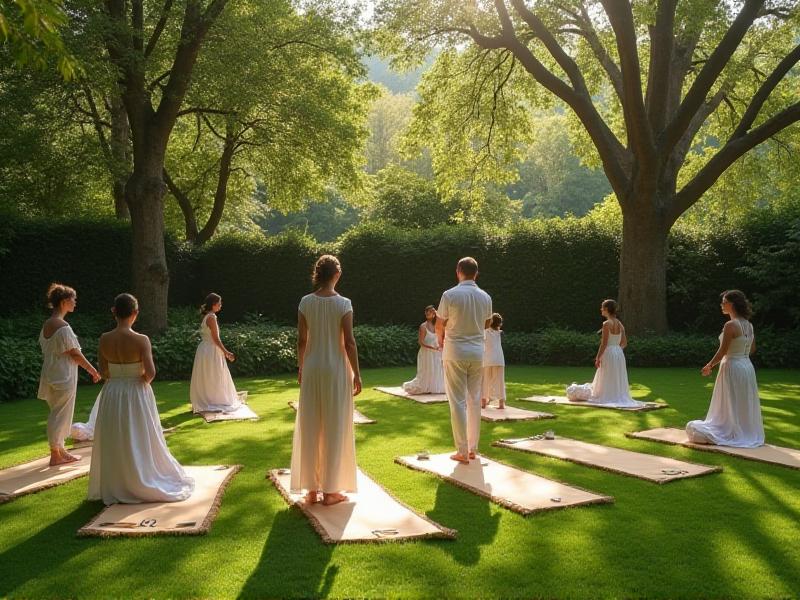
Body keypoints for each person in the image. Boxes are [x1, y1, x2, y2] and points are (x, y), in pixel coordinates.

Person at [88, 293, 194, 505]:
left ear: (113, 312)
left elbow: (103, 371)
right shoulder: (141, 339)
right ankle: (141, 477)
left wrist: (119, 377)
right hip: (136, 390)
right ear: (135, 313)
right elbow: (151, 373)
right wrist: (138, 379)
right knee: (139, 433)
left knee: (115, 434)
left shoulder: (104, 339)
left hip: (112, 392)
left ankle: (117, 482)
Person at [290, 255, 361, 506]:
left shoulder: (305, 302)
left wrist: (301, 367)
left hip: (311, 368)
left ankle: (311, 489)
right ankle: (331, 491)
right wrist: (358, 375)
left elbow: (301, 340)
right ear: (337, 275)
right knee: (335, 424)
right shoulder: (344, 304)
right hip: (336, 369)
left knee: (311, 424)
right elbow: (349, 342)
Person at [686, 290, 764, 447]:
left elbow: (723, 351)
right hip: (747, 367)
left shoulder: (730, 325)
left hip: (732, 366)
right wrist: (740, 354)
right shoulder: (749, 325)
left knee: (730, 400)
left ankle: (730, 430)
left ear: (732, 304)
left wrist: (709, 365)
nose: (722, 305)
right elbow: (752, 349)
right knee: (741, 400)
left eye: (724, 302)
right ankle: (742, 429)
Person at [436, 257, 493, 464]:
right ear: (476, 273)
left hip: (455, 351)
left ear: (458, 271)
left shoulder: (449, 294)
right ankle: (472, 449)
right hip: (477, 352)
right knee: (474, 399)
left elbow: (439, 324)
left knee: (457, 401)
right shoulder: (485, 296)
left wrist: (441, 342)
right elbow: (487, 322)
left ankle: (462, 450)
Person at [37, 283, 100, 466]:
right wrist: (93, 370)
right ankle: (55, 454)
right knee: (59, 414)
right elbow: (75, 353)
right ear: (64, 302)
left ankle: (60, 449)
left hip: (51, 373)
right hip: (62, 375)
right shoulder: (62, 327)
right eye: (74, 299)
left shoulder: (47, 324)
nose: (75, 303)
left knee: (58, 412)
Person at [583, 299, 644, 408]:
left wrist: (597, 358)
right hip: (618, 353)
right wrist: (617, 350)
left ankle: (607, 395)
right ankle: (616, 394)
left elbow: (604, 344)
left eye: (602, 307)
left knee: (606, 373)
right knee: (616, 374)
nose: (601, 309)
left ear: (606, 309)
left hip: (610, 352)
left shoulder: (606, 324)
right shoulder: (619, 324)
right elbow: (624, 342)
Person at [190, 293, 245, 414]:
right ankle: (214, 400)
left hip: (205, 349)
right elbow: (215, 338)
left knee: (209, 375)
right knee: (214, 375)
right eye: (219, 303)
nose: (221, 306)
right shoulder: (211, 317)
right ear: (214, 304)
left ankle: (209, 399)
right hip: (211, 350)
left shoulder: (207, 317)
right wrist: (226, 352)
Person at [402, 305, 445, 394]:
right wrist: (432, 348)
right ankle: (424, 387)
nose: (428, 313)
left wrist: (441, 347)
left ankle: (435, 387)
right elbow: (421, 342)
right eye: (427, 312)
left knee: (437, 371)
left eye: (430, 311)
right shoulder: (423, 326)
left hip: (437, 353)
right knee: (426, 371)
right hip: (426, 353)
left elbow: (442, 338)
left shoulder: (438, 326)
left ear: (434, 313)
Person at [481, 313, 506, 409]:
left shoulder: (485, 332)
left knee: (485, 380)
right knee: (500, 381)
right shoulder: (500, 333)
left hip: (487, 359)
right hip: (499, 359)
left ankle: (483, 402)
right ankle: (501, 404)